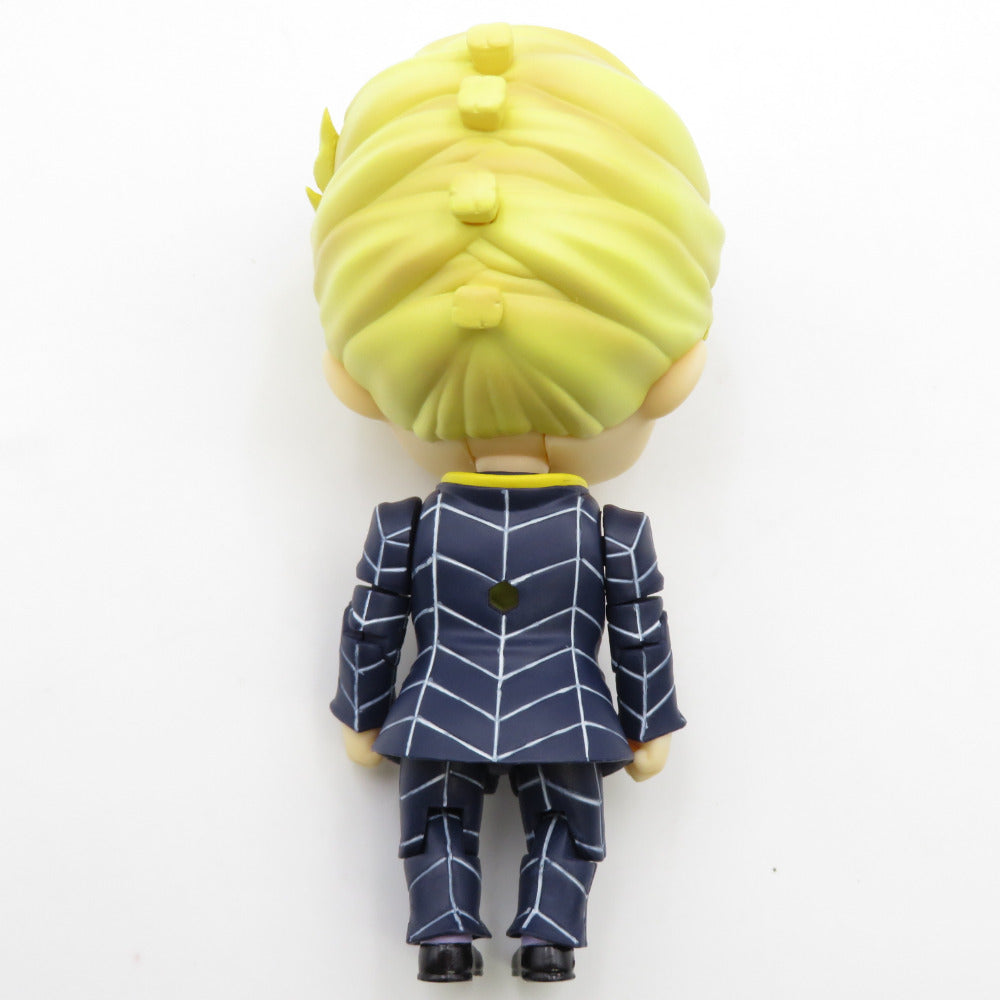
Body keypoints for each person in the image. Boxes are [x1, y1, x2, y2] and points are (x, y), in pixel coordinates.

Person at [308, 22, 724, 983]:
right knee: (567, 821)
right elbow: (639, 628)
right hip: (568, 706)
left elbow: (372, 623)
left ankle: (446, 935)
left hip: (437, 704)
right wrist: (650, 724)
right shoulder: (611, 531)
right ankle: (548, 937)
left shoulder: (408, 526)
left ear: (355, 380)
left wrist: (360, 715)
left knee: (435, 819)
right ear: (675, 371)